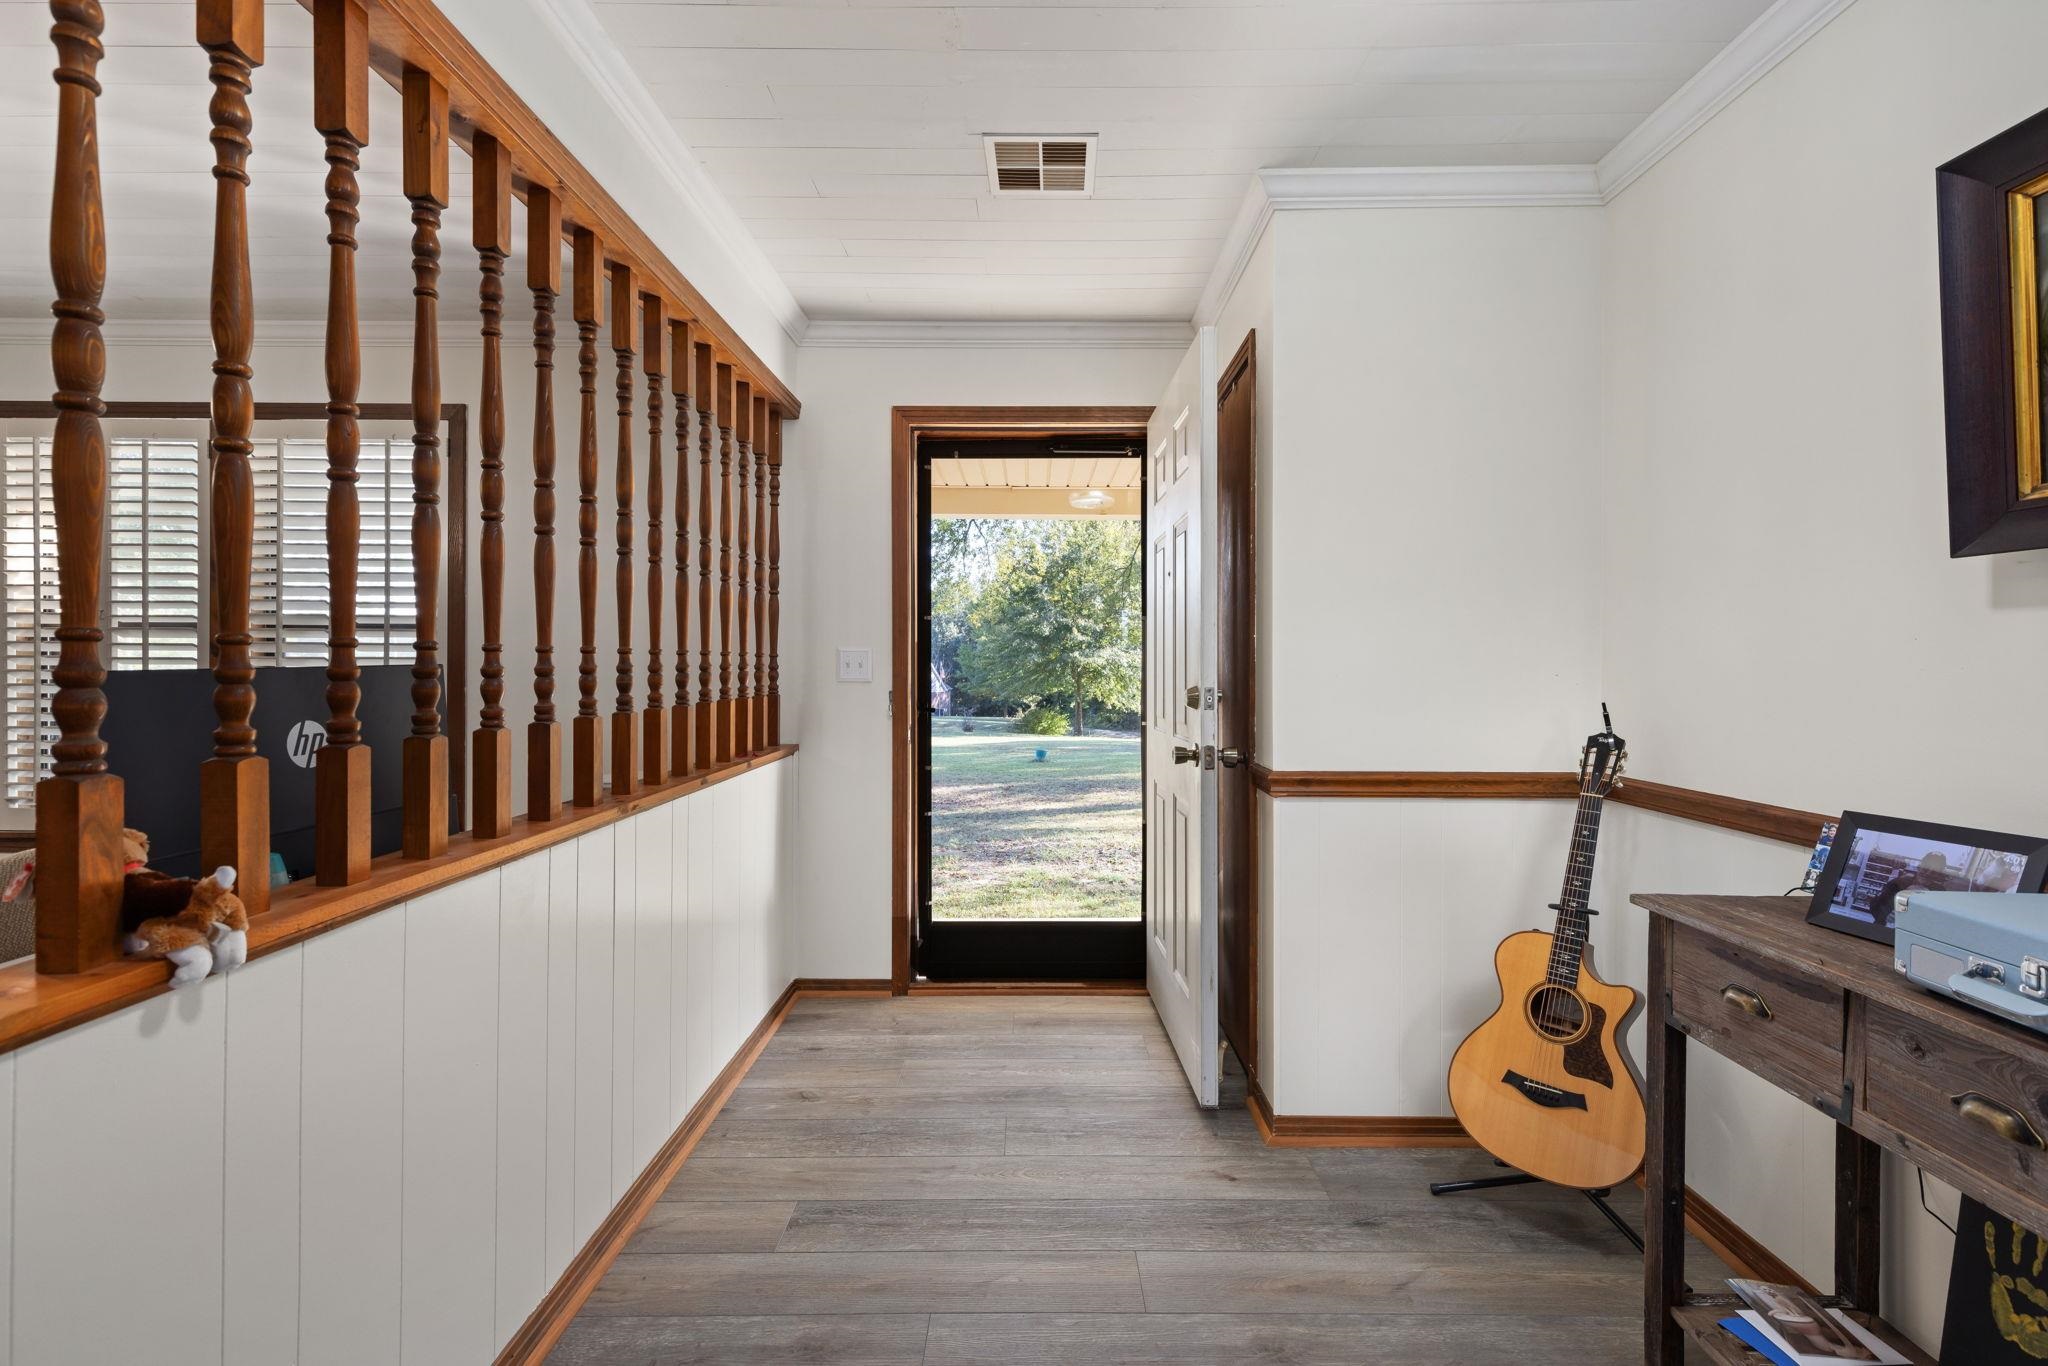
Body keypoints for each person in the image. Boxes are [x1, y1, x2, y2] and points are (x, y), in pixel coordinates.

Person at [1869, 850, 1955, 929]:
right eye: (1925, 869)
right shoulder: (1899, 882)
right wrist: (1885, 915)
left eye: (1934, 872)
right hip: (1884, 929)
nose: (1928, 874)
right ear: (1919, 866)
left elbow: (1938, 919)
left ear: (1939, 874)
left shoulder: (1940, 891)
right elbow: (1877, 907)